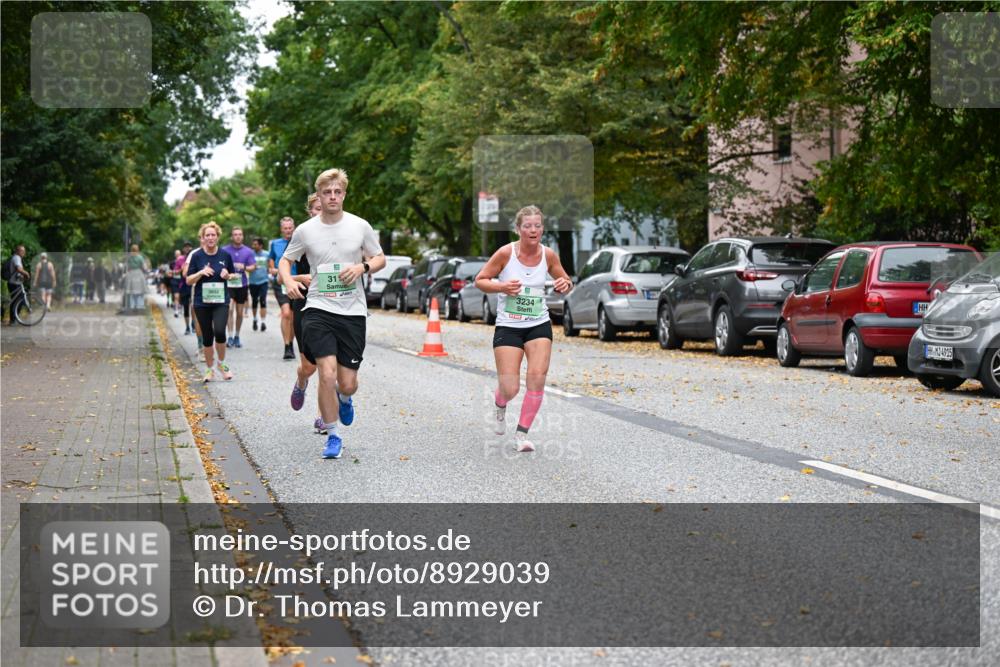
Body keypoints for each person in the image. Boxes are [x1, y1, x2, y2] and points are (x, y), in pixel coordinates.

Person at [280, 168, 385, 459]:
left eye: (338, 192)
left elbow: (379, 258)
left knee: (347, 382)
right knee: (326, 373)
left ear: (344, 194)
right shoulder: (305, 230)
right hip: (318, 309)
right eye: (327, 192)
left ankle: (344, 397)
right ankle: (333, 435)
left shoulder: (360, 226)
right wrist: (289, 280)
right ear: (320, 195)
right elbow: (285, 262)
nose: (333, 197)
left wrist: (362, 267)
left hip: (352, 312)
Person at [474, 205, 572, 453]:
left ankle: (521, 434)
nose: (533, 230)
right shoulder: (506, 253)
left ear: (542, 229)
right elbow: (481, 280)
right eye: (527, 226)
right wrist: (502, 287)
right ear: (518, 229)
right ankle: (500, 403)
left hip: (538, 323)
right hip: (509, 325)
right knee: (511, 388)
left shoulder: (548, 255)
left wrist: (564, 283)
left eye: (537, 225)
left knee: (537, 378)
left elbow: (565, 280)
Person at [288, 194, 328, 435]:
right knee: (309, 367)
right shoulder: (301, 236)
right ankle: (301, 381)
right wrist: (298, 278)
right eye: (316, 208)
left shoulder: (340, 235)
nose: (320, 211)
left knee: (328, 363)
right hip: (304, 303)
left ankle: (324, 415)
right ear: (310, 211)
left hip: (332, 304)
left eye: (323, 208)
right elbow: (281, 271)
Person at [184, 222, 235, 381]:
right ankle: (209, 369)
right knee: (207, 336)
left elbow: (233, 275)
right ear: (203, 238)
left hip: (221, 301)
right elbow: (188, 280)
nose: (211, 238)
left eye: (213, 235)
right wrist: (201, 272)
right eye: (207, 235)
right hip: (202, 302)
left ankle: (222, 364)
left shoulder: (225, 255)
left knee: (220, 331)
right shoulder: (197, 256)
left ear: (218, 237)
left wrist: (228, 276)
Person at [269, 216, 298, 360]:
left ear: (294, 228)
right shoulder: (275, 244)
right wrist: (274, 270)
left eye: (290, 228)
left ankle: (291, 343)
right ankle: (287, 346)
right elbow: (271, 264)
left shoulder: (299, 242)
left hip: (297, 282)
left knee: (293, 316)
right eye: (285, 228)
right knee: (286, 313)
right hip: (281, 283)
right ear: (281, 230)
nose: (288, 231)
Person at [222, 227, 256, 348]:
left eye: (240, 234)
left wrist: (244, 267)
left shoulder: (248, 251)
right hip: (229, 284)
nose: (237, 236)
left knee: (240, 312)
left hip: (242, 284)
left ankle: (237, 336)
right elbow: (220, 264)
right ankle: (230, 336)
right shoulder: (224, 250)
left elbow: (253, 267)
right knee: (229, 309)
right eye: (235, 234)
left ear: (242, 236)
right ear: (232, 236)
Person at [5, 245, 30, 324]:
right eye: (22, 251)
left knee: (16, 301)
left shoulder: (16, 258)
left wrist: (23, 277)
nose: (24, 253)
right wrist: (26, 273)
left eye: (24, 251)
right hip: (14, 283)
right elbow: (18, 269)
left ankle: (14, 319)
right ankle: (13, 320)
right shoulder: (17, 258)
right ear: (18, 251)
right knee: (18, 301)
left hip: (15, 283)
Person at [248, 237, 270, 332]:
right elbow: (247, 266)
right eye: (253, 244)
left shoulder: (267, 254)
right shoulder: (250, 254)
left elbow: (270, 266)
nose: (253, 246)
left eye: (255, 244)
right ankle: (254, 319)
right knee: (254, 301)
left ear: (261, 245)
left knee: (263, 300)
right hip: (253, 282)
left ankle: (263, 322)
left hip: (264, 281)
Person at [124, 244, 149, 312]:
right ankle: (139, 306)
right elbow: (144, 267)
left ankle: (132, 306)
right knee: (140, 292)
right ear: (138, 249)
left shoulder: (128, 257)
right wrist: (146, 271)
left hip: (131, 274)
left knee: (132, 291)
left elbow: (126, 266)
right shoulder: (140, 257)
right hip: (138, 273)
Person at [171, 249, 183, 316]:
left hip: (182, 280)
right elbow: (171, 272)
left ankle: (181, 308)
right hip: (175, 280)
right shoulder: (172, 263)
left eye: (179, 254)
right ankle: (176, 310)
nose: (177, 255)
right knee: (176, 296)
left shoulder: (184, 261)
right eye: (176, 254)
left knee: (181, 296)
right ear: (175, 255)